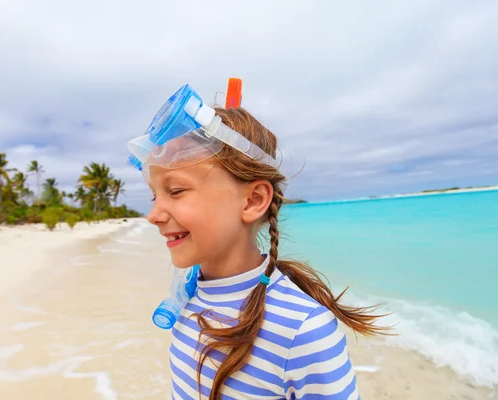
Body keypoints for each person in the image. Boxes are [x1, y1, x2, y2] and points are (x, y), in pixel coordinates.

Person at [126, 83, 387, 399]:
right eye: (155, 196)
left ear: (252, 201)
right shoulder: (188, 297)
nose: (153, 215)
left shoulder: (303, 331)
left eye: (176, 191)